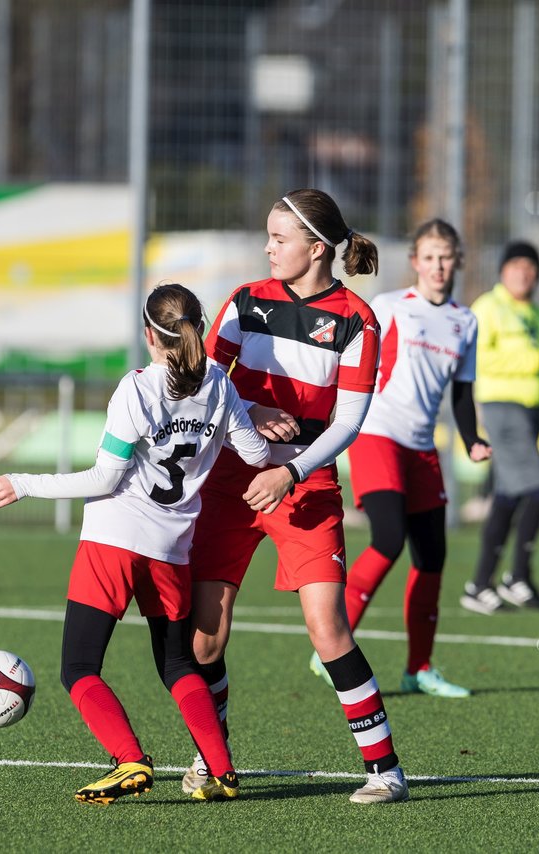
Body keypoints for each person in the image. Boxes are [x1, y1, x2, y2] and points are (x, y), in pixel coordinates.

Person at [0, 284, 269, 804]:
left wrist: (26, 483)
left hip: (113, 541)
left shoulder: (136, 388)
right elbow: (253, 454)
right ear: (198, 330)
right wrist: (256, 418)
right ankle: (222, 770)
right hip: (173, 549)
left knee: (79, 667)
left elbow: (104, 478)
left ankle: (129, 759)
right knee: (179, 667)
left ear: (148, 334)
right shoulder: (221, 385)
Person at [184, 189, 408, 804]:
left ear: (316, 248)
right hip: (231, 484)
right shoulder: (244, 301)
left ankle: (386, 771)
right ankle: (214, 758)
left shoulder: (357, 319)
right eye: (267, 236)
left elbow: (348, 422)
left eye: (278, 238)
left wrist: (293, 470)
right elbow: (204, 379)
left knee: (327, 627)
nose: (267, 247)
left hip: (305, 487)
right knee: (205, 636)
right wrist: (248, 405)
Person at [314, 219, 488, 699]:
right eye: (429, 256)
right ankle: (328, 648)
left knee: (432, 557)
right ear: (415, 261)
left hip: (421, 446)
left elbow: (463, 393)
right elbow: (352, 364)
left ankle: (419, 669)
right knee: (388, 539)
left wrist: (473, 438)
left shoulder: (465, 321)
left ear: (457, 263)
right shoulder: (389, 308)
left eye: (446, 257)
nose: (438, 265)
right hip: (377, 434)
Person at [461, 240, 539, 615]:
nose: (523, 273)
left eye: (530, 267)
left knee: (508, 497)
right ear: (502, 271)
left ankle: (480, 584)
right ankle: (518, 577)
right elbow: (477, 355)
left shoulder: (536, 313)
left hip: (531, 411)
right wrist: (535, 359)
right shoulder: (489, 308)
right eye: (516, 266)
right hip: (501, 408)